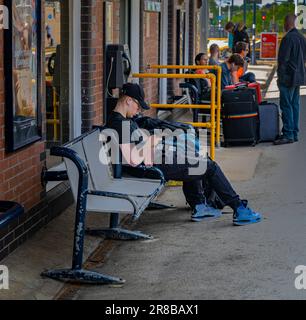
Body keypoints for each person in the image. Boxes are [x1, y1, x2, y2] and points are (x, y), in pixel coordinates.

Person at [107, 82, 262, 226]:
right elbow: (134, 159)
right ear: (128, 100)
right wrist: (154, 140)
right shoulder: (120, 124)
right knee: (209, 166)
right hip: (150, 168)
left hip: (154, 160)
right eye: (138, 106)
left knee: (194, 155)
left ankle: (200, 206)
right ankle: (239, 208)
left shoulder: (120, 120)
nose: (138, 111)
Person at [274, 14, 306, 145]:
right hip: (298, 77)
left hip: (287, 78)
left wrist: (280, 77)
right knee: (295, 105)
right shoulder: (301, 38)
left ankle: (288, 134)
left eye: (284, 22)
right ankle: (294, 133)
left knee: (286, 105)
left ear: (287, 23)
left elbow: (283, 60)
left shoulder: (288, 38)